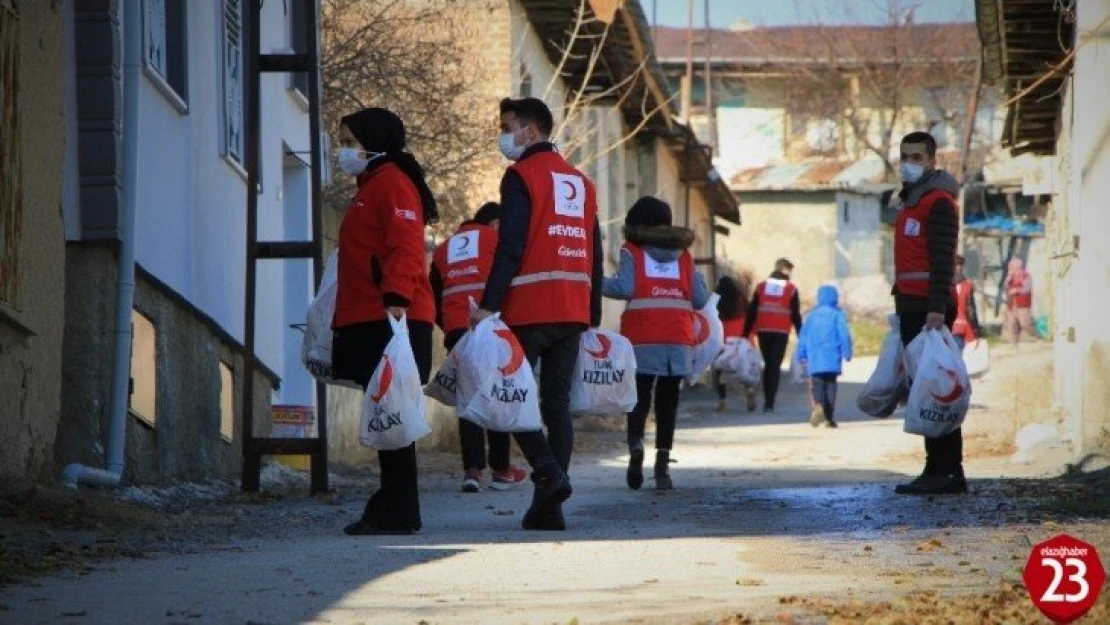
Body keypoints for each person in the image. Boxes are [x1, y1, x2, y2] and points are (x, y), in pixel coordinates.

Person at [469, 97, 604, 530]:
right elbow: (595, 253)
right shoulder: (582, 182)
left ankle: (546, 472)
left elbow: (510, 245)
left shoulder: (520, 176)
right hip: (573, 307)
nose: (503, 135)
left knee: (509, 396)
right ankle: (551, 507)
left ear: (530, 131)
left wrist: (488, 305)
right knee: (556, 404)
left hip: (529, 306)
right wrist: (592, 311)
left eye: (507, 126)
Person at [330, 108, 437, 535]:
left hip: (392, 315)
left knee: (392, 415)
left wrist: (395, 298)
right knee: (389, 414)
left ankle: (395, 509)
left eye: (348, 141)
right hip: (376, 313)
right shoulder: (371, 185)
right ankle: (398, 508)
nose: (343, 150)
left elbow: (405, 244)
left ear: (372, 141)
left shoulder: (390, 182)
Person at [603, 197, 709, 490]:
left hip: (642, 336)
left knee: (639, 396)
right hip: (678, 337)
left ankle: (636, 446)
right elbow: (699, 299)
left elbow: (623, 287)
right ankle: (662, 467)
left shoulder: (631, 250)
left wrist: (590, 281)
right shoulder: (684, 255)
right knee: (669, 401)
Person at [430, 202, 528, 493]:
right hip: (489, 327)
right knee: (496, 395)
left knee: (468, 398)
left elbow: (433, 295)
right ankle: (500, 470)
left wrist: (451, 327)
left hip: (458, 330)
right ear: (496, 223)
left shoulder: (443, 249)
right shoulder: (496, 240)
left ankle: (472, 471)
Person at [890, 131, 967, 496]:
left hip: (929, 310)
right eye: (905, 155)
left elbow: (942, 260)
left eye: (917, 156)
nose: (909, 162)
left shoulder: (937, 202)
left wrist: (937, 309)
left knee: (938, 391)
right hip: (911, 306)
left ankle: (947, 471)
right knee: (925, 391)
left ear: (932, 161)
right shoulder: (911, 200)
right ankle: (937, 469)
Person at [743, 258, 803, 412]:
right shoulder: (791, 289)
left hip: (763, 330)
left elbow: (752, 311)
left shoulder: (761, 287)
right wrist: (801, 334)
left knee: (768, 364)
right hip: (781, 332)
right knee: (774, 365)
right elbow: (795, 314)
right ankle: (769, 402)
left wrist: (745, 333)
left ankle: (767, 397)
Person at [796, 284, 853, 429]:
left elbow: (804, 336)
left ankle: (818, 405)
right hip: (832, 357)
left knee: (817, 385)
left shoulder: (811, 316)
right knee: (831, 386)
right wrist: (847, 351)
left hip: (815, 358)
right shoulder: (838, 315)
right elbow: (844, 334)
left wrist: (801, 353)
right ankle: (829, 418)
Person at [714, 276, 757, 413]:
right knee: (743, 366)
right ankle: (749, 388)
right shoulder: (741, 297)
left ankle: (723, 400)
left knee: (720, 368)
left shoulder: (716, 299)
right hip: (743, 335)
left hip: (724, 337)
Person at [1004, 256, 1039, 345]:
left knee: (1024, 324)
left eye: (1012, 267)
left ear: (1018, 267)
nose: (1011, 268)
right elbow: (1006, 287)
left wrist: (1017, 290)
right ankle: (1013, 343)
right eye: (1010, 267)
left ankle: (1036, 335)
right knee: (1011, 324)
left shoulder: (1026, 276)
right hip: (1012, 304)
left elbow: (1027, 289)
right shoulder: (1010, 277)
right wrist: (1009, 276)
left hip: (1023, 304)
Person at [952, 254, 983, 350]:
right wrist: (976, 332)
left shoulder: (941, 284)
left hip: (942, 328)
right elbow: (971, 311)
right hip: (959, 328)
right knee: (957, 360)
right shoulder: (967, 286)